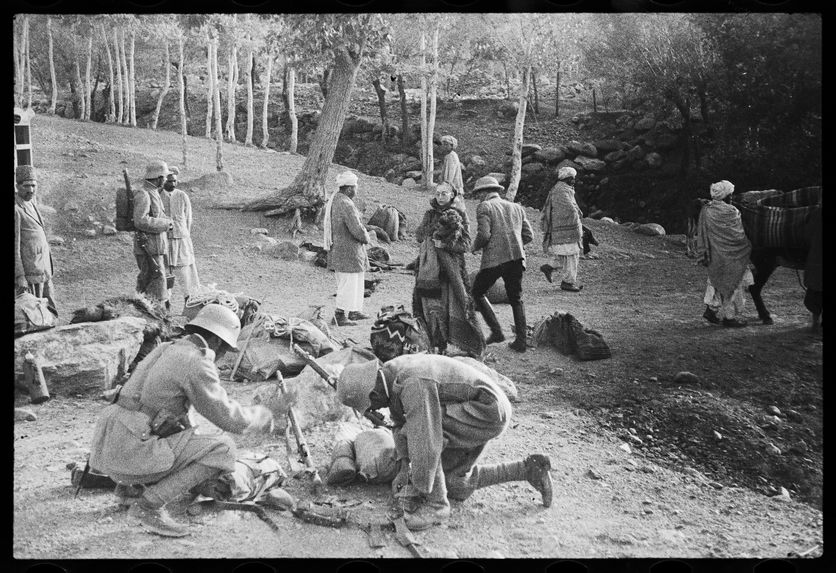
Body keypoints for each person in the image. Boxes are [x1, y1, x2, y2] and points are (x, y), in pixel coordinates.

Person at [88, 304, 275, 537]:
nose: (224, 355)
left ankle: (130, 489)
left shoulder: (167, 348)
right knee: (223, 449)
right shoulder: (195, 361)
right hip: (129, 450)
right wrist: (262, 415)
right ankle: (148, 506)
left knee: (181, 430)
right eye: (226, 348)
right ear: (217, 342)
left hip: (107, 445)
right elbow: (227, 418)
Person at [337, 354, 553, 531]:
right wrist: (405, 469)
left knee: (421, 431)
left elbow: (425, 439)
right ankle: (528, 470)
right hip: (468, 409)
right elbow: (398, 423)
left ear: (373, 392)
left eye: (371, 406)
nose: (374, 410)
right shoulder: (390, 375)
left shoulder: (412, 382)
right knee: (454, 484)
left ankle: (436, 506)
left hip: (487, 410)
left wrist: (418, 487)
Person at [412, 182, 485, 357]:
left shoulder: (459, 215)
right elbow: (419, 235)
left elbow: (466, 244)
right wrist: (431, 235)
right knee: (430, 307)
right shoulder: (429, 215)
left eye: (444, 193)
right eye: (437, 194)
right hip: (428, 271)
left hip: (450, 271)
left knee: (451, 306)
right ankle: (436, 344)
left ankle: (463, 344)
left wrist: (444, 244)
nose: (440, 197)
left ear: (452, 195)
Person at [470, 176, 534, 352]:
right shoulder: (516, 207)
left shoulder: (485, 207)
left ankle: (497, 332)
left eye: (478, 194)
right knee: (516, 298)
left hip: (494, 260)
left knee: (477, 292)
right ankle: (521, 341)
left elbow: (484, 235)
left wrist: (474, 247)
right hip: (517, 258)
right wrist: (514, 245)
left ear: (484, 192)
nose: (478, 197)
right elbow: (529, 236)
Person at [695, 180, 753, 328]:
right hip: (732, 255)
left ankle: (711, 310)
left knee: (716, 281)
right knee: (732, 284)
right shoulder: (731, 212)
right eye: (731, 195)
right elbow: (737, 235)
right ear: (726, 196)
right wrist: (745, 246)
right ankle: (729, 318)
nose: (732, 198)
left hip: (715, 253)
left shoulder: (707, 210)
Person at [323, 170, 373, 326]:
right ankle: (339, 315)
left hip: (342, 249)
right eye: (355, 187)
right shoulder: (346, 204)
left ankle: (354, 311)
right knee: (348, 283)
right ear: (350, 188)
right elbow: (356, 228)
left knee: (354, 281)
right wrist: (367, 237)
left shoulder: (337, 200)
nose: (356, 190)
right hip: (348, 251)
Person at [14, 165, 58, 312]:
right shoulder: (16, 210)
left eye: (34, 185)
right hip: (30, 276)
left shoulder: (32, 204)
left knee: (51, 312)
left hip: (44, 271)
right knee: (35, 317)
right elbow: (15, 248)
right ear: (17, 186)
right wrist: (20, 276)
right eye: (26, 186)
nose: (31, 190)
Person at [134, 160, 174, 309]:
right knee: (153, 283)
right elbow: (140, 220)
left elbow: (157, 215)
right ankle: (150, 314)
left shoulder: (153, 193)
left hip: (155, 248)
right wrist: (164, 224)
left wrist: (167, 222)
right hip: (147, 248)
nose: (165, 180)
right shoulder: (144, 194)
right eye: (164, 177)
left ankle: (147, 312)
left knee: (154, 282)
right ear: (158, 178)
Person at [160, 166, 201, 306]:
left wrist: (184, 234)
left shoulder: (182, 195)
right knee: (165, 273)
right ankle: (166, 303)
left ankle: (189, 301)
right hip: (164, 240)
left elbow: (188, 218)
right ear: (164, 181)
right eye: (169, 181)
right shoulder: (158, 195)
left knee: (185, 272)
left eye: (175, 181)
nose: (172, 184)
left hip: (181, 239)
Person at [539, 166, 584, 292]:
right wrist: (577, 220)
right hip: (566, 230)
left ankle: (549, 267)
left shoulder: (560, 189)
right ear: (568, 178)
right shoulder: (561, 191)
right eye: (572, 178)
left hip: (561, 230)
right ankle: (568, 282)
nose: (574, 181)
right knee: (571, 256)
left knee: (564, 255)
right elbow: (569, 209)